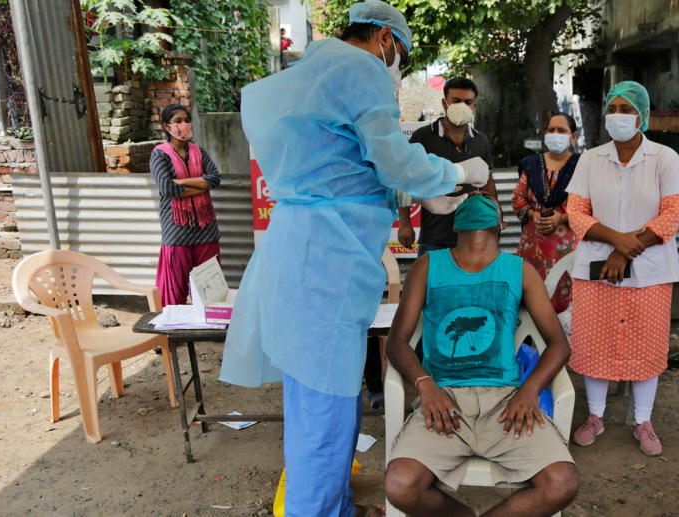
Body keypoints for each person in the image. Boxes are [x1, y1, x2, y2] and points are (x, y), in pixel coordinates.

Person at [217, 1, 491, 515]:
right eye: (401, 55)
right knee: (326, 410)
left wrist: (411, 197)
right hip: (324, 263)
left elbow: (345, 171)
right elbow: (393, 157)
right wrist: (457, 175)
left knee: (313, 407)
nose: (397, 67)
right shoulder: (358, 68)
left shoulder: (312, 73)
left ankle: (329, 504)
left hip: (299, 250)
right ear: (385, 38)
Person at [384, 192, 578, 517]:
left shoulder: (519, 270)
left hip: (505, 402)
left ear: (453, 226)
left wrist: (529, 390)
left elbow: (558, 344)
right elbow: (396, 341)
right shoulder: (428, 266)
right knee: (400, 484)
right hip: (442, 401)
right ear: (501, 225)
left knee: (561, 482)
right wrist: (426, 385)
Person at [566, 81, 679, 456]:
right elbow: (575, 212)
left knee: (646, 344)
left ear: (642, 115)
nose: (617, 115)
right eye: (612, 108)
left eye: (626, 109)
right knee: (594, 343)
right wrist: (616, 242)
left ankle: (643, 421)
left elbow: (672, 215)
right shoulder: (590, 159)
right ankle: (595, 417)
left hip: (649, 270)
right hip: (597, 268)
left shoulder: (664, 158)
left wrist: (627, 250)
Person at [397, 77, 497, 255]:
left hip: (473, 235)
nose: (462, 106)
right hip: (434, 237)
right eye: (456, 101)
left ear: (474, 105)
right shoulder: (423, 137)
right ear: (445, 103)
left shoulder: (480, 140)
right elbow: (405, 179)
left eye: (468, 102)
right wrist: (405, 223)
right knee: (432, 282)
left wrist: (496, 215)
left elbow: (488, 182)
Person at [150, 103, 221, 306]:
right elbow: (167, 187)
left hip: (206, 229)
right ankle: (176, 335)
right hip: (177, 229)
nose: (184, 124)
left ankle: (209, 327)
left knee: (210, 288)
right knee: (175, 290)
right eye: (178, 121)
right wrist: (201, 184)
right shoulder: (159, 154)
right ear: (166, 126)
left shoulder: (199, 151)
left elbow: (215, 179)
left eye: (186, 120)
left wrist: (181, 183)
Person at [512, 112, 580, 312]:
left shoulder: (582, 167)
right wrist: (533, 215)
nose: (555, 134)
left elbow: (590, 205)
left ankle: (564, 342)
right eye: (551, 130)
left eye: (561, 130)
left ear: (573, 137)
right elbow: (518, 197)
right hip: (532, 248)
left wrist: (563, 218)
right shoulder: (532, 165)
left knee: (565, 307)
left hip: (567, 250)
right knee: (533, 305)